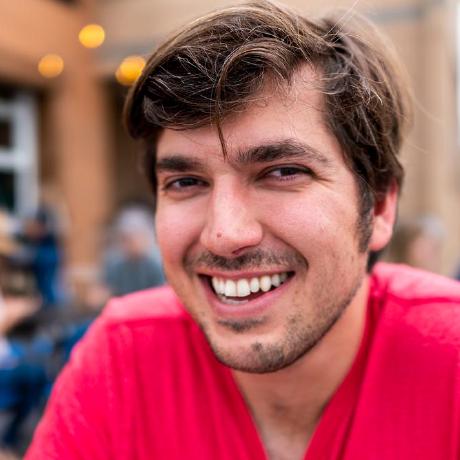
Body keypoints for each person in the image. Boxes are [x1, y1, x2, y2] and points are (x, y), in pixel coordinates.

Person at [26, 1, 460, 459]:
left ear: (380, 205)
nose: (225, 234)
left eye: (283, 172)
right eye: (186, 182)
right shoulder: (123, 361)